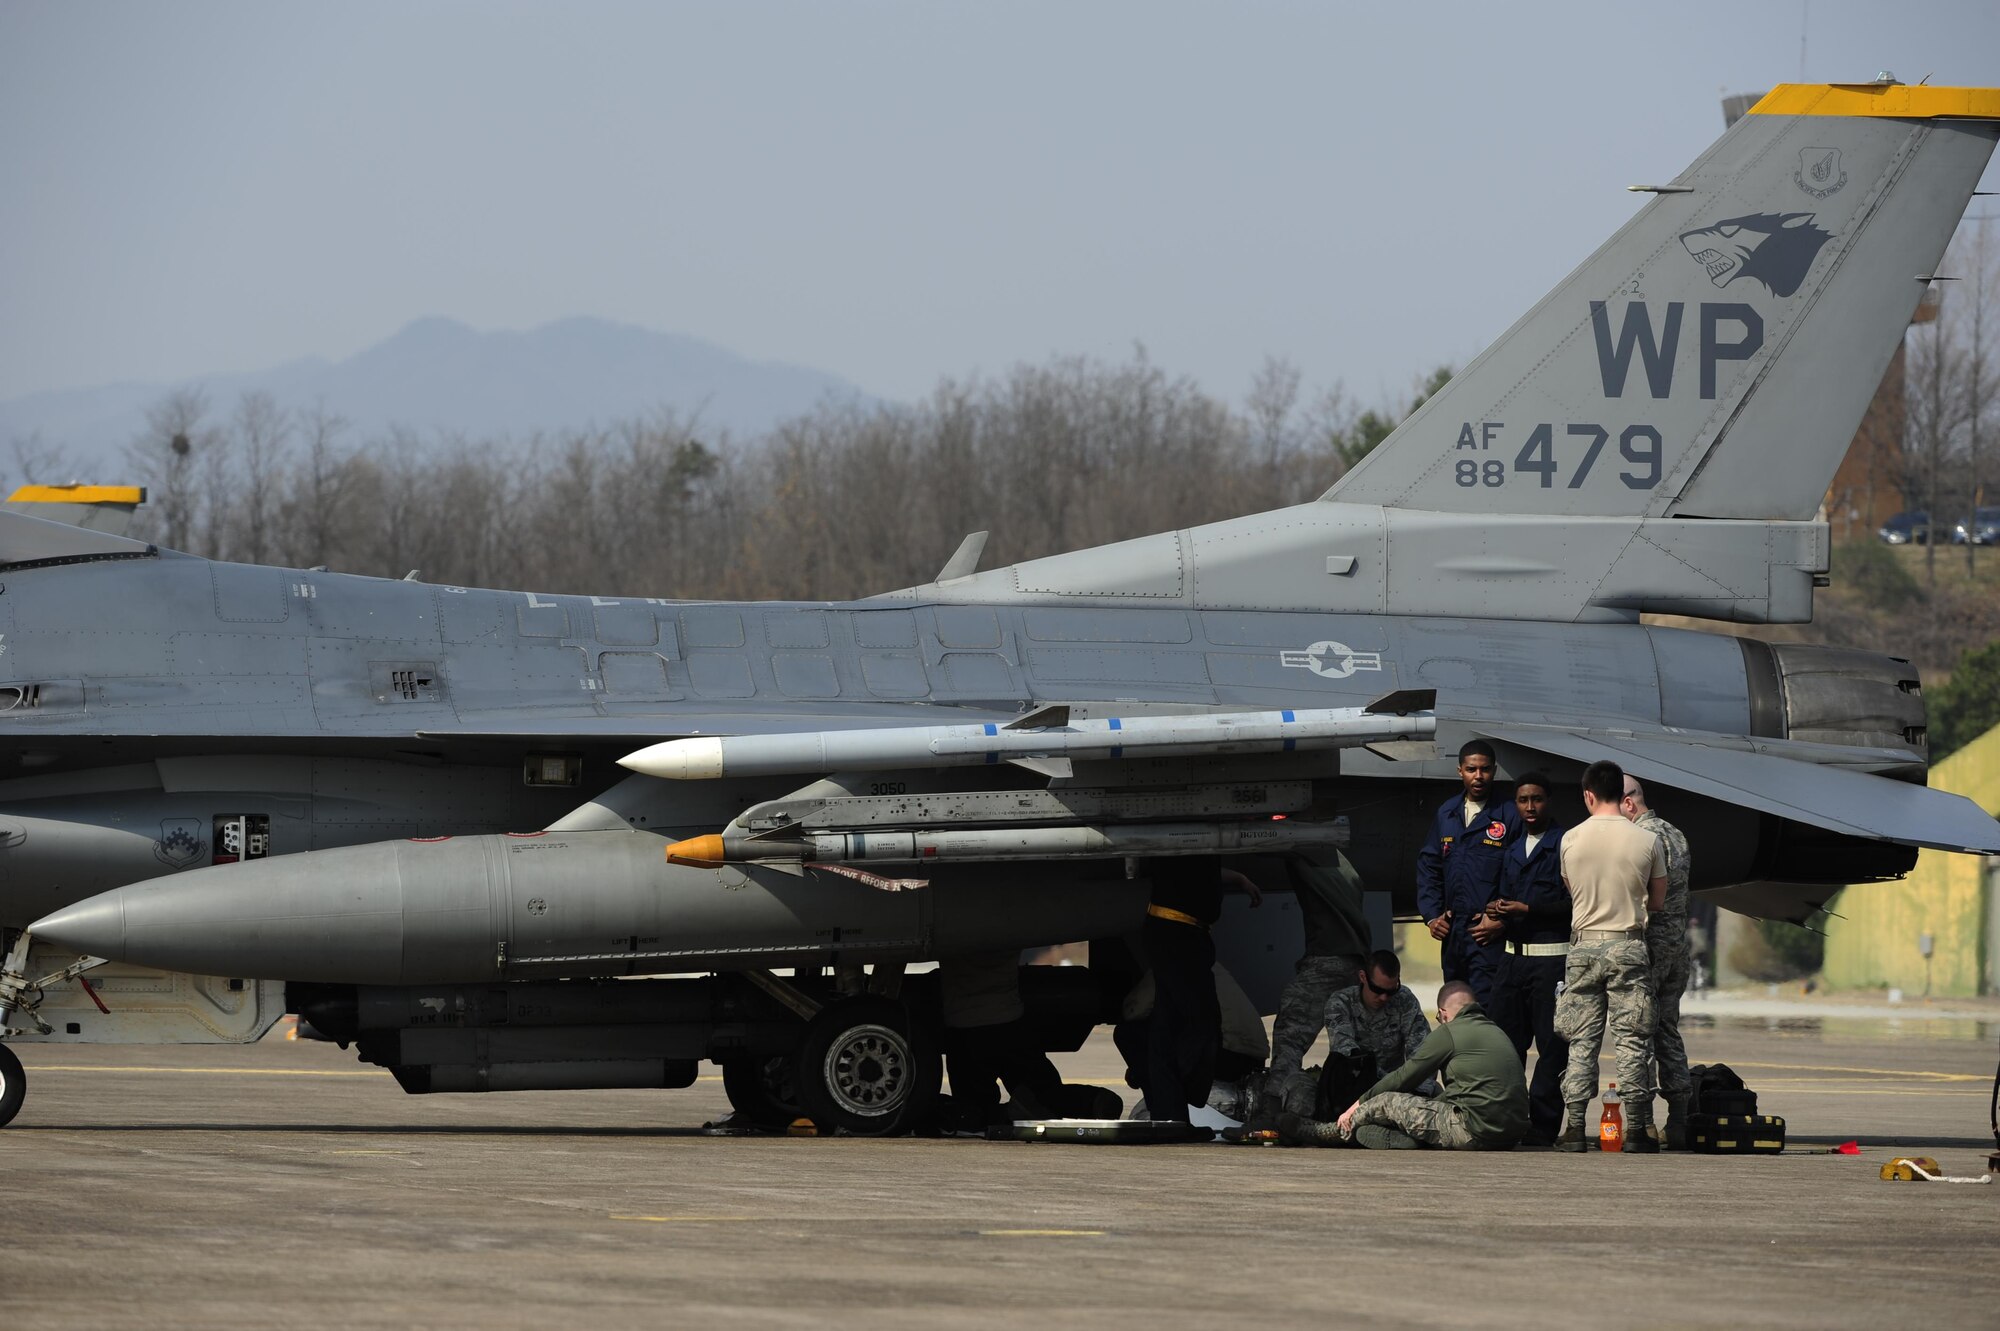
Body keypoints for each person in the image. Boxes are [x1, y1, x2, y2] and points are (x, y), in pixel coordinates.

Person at [1555, 759, 1666, 1153]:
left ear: (1588, 795)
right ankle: (1636, 1130)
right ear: (1622, 793)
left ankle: (1573, 1128)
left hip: (1583, 945)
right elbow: (1658, 900)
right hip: (1628, 944)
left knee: (1581, 1040)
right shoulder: (1648, 840)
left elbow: (1571, 889)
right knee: (1632, 1040)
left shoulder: (1570, 839)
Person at [1470, 770, 1569, 1145]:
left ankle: (1542, 1127)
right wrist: (1495, 910)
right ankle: (1507, 1119)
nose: (1530, 807)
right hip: (1512, 962)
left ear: (1548, 802)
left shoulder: (1565, 846)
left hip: (1550, 962)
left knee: (1551, 1048)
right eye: (1523, 800)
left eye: (1537, 799)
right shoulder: (1512, 850)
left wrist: (1529, 909)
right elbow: (1502, 895)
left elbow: (1575, 904)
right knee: (1505, 1045)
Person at [1243, 851, 1371, 1130]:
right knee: (1350, 1045)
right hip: (1356, 962)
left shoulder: (1305, 851)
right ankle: (1349, 1109)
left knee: (1290, 1033)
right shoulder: (1345, 866)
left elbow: (1267, 841)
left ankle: (1271, 1110)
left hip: (1325, 960)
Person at [1318, 981, 1528, 1150]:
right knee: (1438, 1094)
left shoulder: (1449, 1032)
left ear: (1443, 1013)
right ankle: (1414, 1138)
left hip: (1475, 1132)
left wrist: (1357, 1105)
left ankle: (1337, 1130)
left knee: (1385, 1101)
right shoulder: (1497, 1032)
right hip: (1511, 1135)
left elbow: (1404, 1076)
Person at [1274, 950, 1432, 1141]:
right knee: (1297, 1089)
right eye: (1377, 989)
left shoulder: (1404, 1000)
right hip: (1351, 1087)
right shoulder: (1340, 1003)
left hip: (1392, 1091)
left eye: (1391, 991)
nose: (1384, 997)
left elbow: (1422, 1053)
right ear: (1363, 977)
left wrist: (1417, 1091)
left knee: (1432, 1095)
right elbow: (1348, 1056)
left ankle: (1335, 1133)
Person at [1621, 776, 1694, 1148]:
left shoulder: (1641, 838)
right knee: (1667, 1030)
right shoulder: (1676, 834)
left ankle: (1645, 1123)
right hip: (1676, 947)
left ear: (1628, 803)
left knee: (1639, 1031)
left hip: (1649, 946)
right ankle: (1679, 1120)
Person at [1415, 740, 1520, 993]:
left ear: (1494, 771)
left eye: (1485, 769)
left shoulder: (1509, 815)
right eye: (1472, 769)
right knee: (1455, 1001)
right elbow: (1429, 867)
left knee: (1487, 1005)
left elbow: (1520, 874)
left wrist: (1503, 920)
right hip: (1454, 933)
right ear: (1460, 771)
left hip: (1487, 934)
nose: (1478, 776)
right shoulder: (1447, 813)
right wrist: (1432, 916)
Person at [1139, 854, 1224, 1123]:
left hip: (1182, 933)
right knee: (1199, 1023)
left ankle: (1171, 1114)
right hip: (1177, 935)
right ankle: (1175, 1104)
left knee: (1169, 1026)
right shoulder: (1185, 840)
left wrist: (1238, 878)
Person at [940, 949, 1066, 1130]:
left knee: (974, 1110)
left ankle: (1002, 1115)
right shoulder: (1003, 934)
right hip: (1009, 1019)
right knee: (1046, 1096)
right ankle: (1093, 1101)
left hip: (965, 1025)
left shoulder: (955, 939)